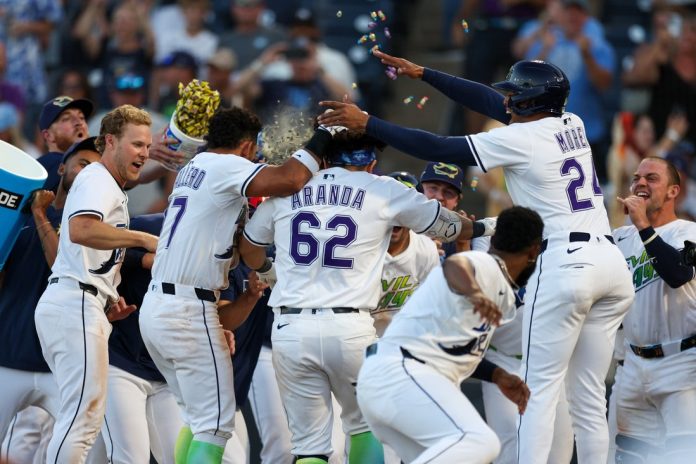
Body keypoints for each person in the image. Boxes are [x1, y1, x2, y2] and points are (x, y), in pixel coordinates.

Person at [318, 52, 635, 463]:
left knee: (538, 390)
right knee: (589, 398)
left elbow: (437, 146)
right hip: (610, 263)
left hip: (567, 263)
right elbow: (490, 101)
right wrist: (426, 74)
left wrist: (370, 124)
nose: (506, 101)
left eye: (514, 96)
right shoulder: (570, 122)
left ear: (530, 102)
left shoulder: (519, 139)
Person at [239, 131, 495, 464]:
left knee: (309, 446)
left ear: (324, 158)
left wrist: (269, 270)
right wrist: (487, 227)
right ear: (372, 162)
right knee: (363, 427)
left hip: (291, 329)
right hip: (350, 328)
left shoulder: (289, 189)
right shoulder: (382, 188)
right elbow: (449, 226)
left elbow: (249, 248)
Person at [138, 106, 335, 464]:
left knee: (198, 421)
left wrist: (267, 267)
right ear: (246, 146)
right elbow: (290, 179)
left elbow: (236, 248)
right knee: (215, 427)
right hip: (187, 309)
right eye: (254, 150)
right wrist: (324, 136)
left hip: (160, 306)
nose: (256, 157)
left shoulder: (195, 166)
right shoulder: (226, 165)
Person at [356, 206, 540, 463]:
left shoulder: (496, 283)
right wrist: (475, 293)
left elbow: (454, 348)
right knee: (480, 440)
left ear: (494, 240)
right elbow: (456, 265)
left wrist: (497, 375)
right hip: (403, 374)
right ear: (534, 252)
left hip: (392, 379)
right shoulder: (486, 265)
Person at [34, 105, 159, 463]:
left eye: (147, 146)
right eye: (137, 144)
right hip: (74, 303)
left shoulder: (107, 185)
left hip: (80, 302)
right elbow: (81, 229)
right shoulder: (98, 178)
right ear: (110, 142)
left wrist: (108, 296)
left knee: (83, 422)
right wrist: (142, 238)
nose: (144, 153)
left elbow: (84, 246)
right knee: (82, 421)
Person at [0, 137, 101, 463]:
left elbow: (63, 267)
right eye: (83, 163)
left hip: (60, 366)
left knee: (93, 445)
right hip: (8, 355)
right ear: (62, 168)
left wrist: (40, 214)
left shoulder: (95, 230)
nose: (88, 173)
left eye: (97, 169)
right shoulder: (21, 219)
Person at [611, 157, 696, 463]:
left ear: (673, 191)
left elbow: (678, 274)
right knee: (629, 458)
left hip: (681, 365)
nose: (641, 183)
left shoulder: (689, 231)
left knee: (682, 457)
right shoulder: (620, 238)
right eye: (636, 178)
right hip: (633, 366)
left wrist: (643, 226)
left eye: (651, 178)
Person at [374, 171, 440, 337]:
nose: (398, 213)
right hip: (359, 339)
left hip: (402, 340)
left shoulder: (426, 249)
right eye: (391, 204)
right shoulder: (361, 245)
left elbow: (430, 307)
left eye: (405, 207)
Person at [37, 95, 93, 192]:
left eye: (81, 117)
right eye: (66, 118)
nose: (79, 122)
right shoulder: (53, 166)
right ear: (48, 135)